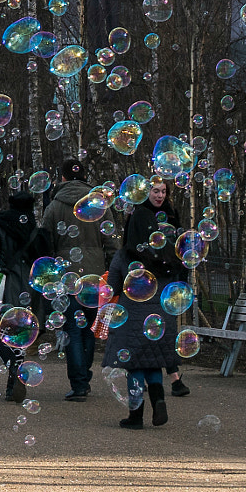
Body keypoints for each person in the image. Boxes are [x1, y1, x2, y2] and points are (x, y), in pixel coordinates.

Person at [107, 176, 187, 430]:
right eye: (156, 191)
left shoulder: (125, 255)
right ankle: (160, 401)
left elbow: (114, 285)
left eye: (163, 191)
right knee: (153, 361)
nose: (160, 195)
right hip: (161, 315)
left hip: (133, 315)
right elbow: (179, 277)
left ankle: (136, 415)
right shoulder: (168, 255)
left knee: (135, 366)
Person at [40, 159, 105, 401]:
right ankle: (84, 378)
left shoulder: (55, 206)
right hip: (95, 276)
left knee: (72, 330)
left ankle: (78, 384)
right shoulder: (98, 203)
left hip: (66, 277)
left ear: (63, 178)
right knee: (88, 328)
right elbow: (111, 242)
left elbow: (46, 244)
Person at [0, 189, 48, 404]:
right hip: (29, 289)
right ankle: (14, 382)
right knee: (21, 335)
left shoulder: (1, 225)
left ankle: (13, 369)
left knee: (0, 331)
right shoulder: (33, 227)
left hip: (6, 285)